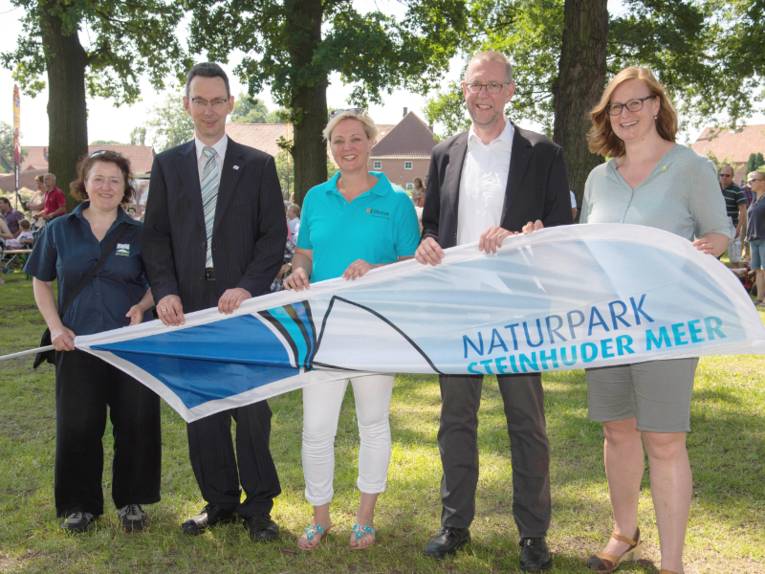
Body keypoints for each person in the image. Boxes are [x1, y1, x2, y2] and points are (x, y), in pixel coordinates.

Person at [415, 50, 572, 572]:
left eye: (492, 85)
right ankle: (455, 523)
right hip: (456, 305)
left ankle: (533, 535)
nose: (482, 94)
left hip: (519, 305)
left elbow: (558, 227)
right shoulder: (444, 153)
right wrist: (428, 243)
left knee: (526, 423)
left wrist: (528, 236)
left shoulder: (543, 152)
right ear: (464, 90)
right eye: (474, 85)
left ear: (509, 91)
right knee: (455, 419)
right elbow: (433, 224)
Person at [580, 66, 729, 574]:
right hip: (605, 324)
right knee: (617, 431)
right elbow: (583, 247)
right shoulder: (599, 176)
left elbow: (719, 232)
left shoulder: (690, 167)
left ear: (657, 105)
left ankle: (672, 563)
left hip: (666, 324)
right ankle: (623, 532)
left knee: (664, 438)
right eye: (616, 107)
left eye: (636, 103)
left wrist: (712, 247)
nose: (626, 114)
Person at [142, 62, 286, 541]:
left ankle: (259, 506)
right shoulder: (167, 165)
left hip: (241, 301)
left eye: (216, 100)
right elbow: (156, 238)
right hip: (188, 302)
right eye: (199, 100)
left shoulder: (259, 164)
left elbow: (272, 237)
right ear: (187, 105)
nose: (208, 110)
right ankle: (219, 501)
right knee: (202, 404)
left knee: (251, 406)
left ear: (230, 104)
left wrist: (247, 286)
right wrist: (165, 291)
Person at [283, 109, 420, 551]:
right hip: (323, 330)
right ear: (330, 147)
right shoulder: (317, 197)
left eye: (355, 139)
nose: (347, 148)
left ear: (370, 143)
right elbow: (304, 252)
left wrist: (374, 268)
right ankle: (319, 517)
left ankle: (364, 518)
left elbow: (413, 267)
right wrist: (297, 271)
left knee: (373, 424)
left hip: (376, 330)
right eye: (338, 141)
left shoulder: (396, 200)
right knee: (316, 428)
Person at [23, 150, 161, 533]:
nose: (106, 187)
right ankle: (79, 505)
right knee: (79, 424)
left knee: (136, 421)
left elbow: (159, 282)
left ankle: (131, 501)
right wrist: (55, 327)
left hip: (131, 344)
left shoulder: (139, 233)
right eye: (98, 179)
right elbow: (40, 280)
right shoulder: (59, 230)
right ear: (84, 183)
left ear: (125, 188)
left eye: (115, 180)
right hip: (76, 344)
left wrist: (142, 305)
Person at [718, 163, 746, 263]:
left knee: (734, 260)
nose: (724, 177)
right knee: (714, 257)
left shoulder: (737, 190)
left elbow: (743, 211)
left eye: (727, 175)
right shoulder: (714, 188)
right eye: (722, 175)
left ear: (732, 176)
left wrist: (738, 229)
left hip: (731, 227)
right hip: (716, 226)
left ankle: (737, 278)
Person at [746, 170, 765, 308]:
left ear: (763, 182)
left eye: (753, 180)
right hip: (753, 238)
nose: (750, 183)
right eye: (749, 180)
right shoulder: (753, 198)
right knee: (758, 270)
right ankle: (759, 299)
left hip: (764, 238)